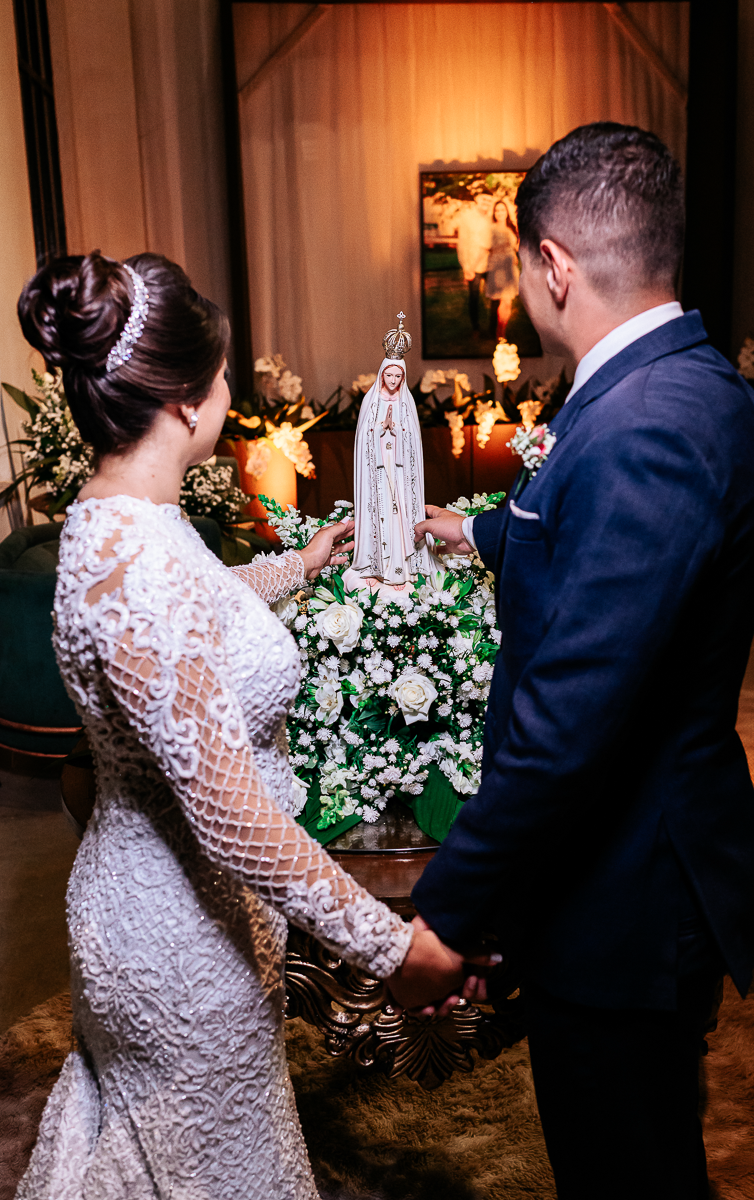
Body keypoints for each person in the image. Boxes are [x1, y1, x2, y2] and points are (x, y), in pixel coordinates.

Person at [14, 252, 489, 1200]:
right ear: (189, 402)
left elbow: (187, 625)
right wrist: (394, 948)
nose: (233, 389)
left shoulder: (118, 520)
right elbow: (230, 814)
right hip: (181, 941)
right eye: (226, 373)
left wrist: (297, 565)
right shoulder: (137, 555)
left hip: (149, 910)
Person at [410, 123, 754, 1199]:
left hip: (625, 895)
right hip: (627, 871)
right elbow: (618, 551)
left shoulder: (645, 424)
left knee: (628, 1169)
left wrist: (450, 910)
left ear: (553, 266)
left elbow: (570, 716)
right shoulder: (683, 386)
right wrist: (476, 532)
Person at [349, 350, 432, 592]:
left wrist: (396, 429)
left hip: (399, 472)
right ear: (382, 374)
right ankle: (376, 567)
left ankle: (402, 569)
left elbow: (413, 439)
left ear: (403, 377)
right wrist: (378, 429)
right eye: (389, 375)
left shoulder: (406, 403)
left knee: (400, 516)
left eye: (398, 376)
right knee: (379, 513)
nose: (393, 380)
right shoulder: (371, 400)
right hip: (376, 473)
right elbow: (363, 436)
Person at [455, 190, 494, 333]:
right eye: (484, 199)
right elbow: (462, 243)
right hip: (473, 265)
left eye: (490, 201)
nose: (487, 203)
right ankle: (475, 328)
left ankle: (493, 328)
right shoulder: (467, 217)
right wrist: (466, 266)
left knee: (495, 296)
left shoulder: (491, 218)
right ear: (477, 199)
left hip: (491, 264)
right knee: (474, 297)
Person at [486, 199, 520, 339]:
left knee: (508, 301)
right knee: (503, 300)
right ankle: (499, 332)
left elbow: (515, 247)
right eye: (497, 210)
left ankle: (501, 329)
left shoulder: (511, 228)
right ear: (494, 213)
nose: (500, 213)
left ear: (507, 212)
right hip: (498, 267)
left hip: (510, 267)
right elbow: (488, 247)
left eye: (502, 210)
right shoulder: (491, 228)